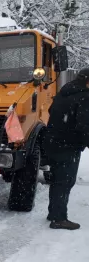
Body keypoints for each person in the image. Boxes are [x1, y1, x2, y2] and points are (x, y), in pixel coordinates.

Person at [43, 68, 89, 230]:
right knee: (65, 181)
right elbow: (84, 125)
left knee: (57, 179)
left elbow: (51, 111)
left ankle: (53, 212)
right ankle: (58, 218)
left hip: (52, 142)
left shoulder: (65, 92)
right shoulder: (84, 96)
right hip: (68, 146)